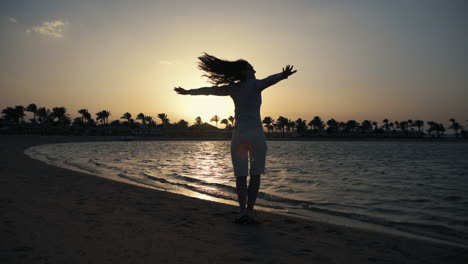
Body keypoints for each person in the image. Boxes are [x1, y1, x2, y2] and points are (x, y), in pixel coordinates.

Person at [174, 53, 297, 224]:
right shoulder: (255, 84)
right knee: (255, 175)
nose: (254, 70)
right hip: (255, 135)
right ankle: (249, 211)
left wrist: (188, 92)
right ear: (245, 72)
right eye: (251, 67)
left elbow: (209, 91)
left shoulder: (234, 88)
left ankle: (242, 212)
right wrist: (283, 75)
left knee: (241, 176)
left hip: (239, 136)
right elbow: (270, 80)